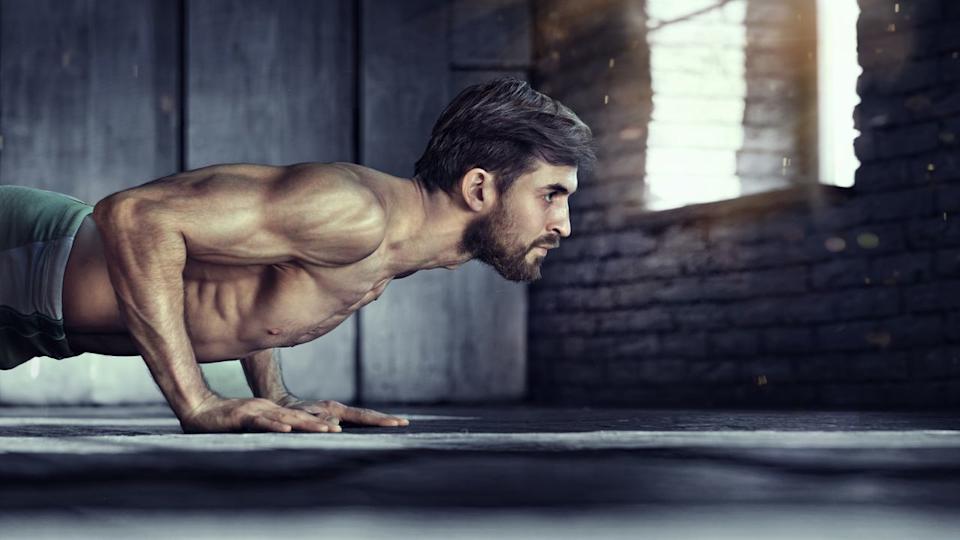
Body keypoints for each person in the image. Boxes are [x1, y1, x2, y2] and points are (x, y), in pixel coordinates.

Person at [0, 77, 596, 433]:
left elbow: (252, 277)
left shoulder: (394, 249)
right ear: (479, 189)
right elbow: (136, 217)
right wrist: (197, 401)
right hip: (23, 253)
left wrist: (275, 397)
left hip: (31, 321)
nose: (563, 225)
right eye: (551, 195)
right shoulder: (354, 213)